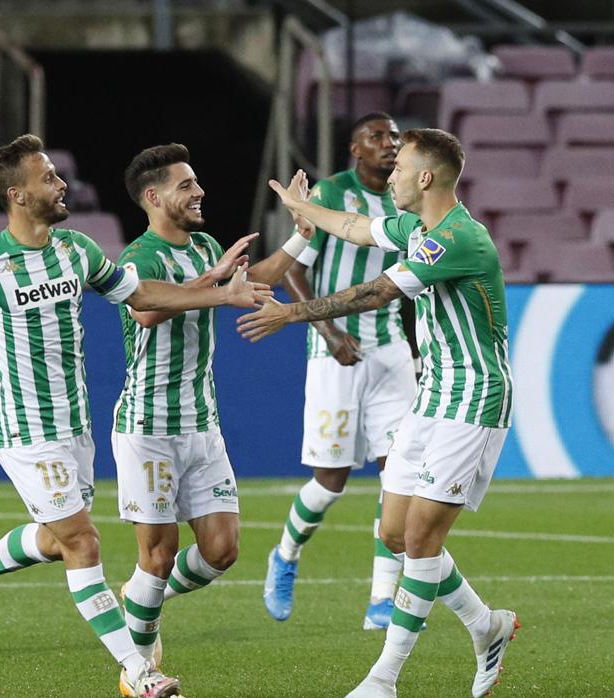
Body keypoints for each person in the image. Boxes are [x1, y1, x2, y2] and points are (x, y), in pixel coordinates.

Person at [0, 134, 272, 698]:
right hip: (24, 431)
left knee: (57, 541)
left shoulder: (77, 250)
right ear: (18, 194)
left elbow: (141, 297)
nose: (61, 184)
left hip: (75, 427)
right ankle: (139, 671)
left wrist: (213, 290)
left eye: (57, 174)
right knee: (84, 543)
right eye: (48, 177)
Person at [240, 128, 518, 698]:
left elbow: (376, 293)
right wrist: (300, 206)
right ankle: (485, 624)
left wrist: (292, 315)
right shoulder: (417, 228)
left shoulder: (458, 239)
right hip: (433, 395)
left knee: (419, 537)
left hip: (474, 397)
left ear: (425, 177)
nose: (389, 174)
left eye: (400, 168)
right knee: (394, 534)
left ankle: (383, 679)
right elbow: (355, 228)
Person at [111, 143, 317, 696]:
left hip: (202, 424)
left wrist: (302, 234)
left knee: (222, 551)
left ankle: (141, 600)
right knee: (156, 555)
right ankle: (139, 670)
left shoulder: (203, 245)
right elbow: (146, 310)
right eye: (186, 185)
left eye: (197, 182)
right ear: (153, 197)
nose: (199, 192)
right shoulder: (140, 256)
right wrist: (215, 284)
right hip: (148, 427)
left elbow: (257, 279)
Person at [264, 112, 420, 630]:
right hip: (334, 353)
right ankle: (285, 555)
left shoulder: (407, 200)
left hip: (391, 350)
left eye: (395, 136)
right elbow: (293, 268)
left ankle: (381, 599)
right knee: (330, 481)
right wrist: (330, 334)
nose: (389, 144)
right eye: (377, 136)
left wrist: (416, 346)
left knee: (397, 475)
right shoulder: (332, 194)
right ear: (355, 148)